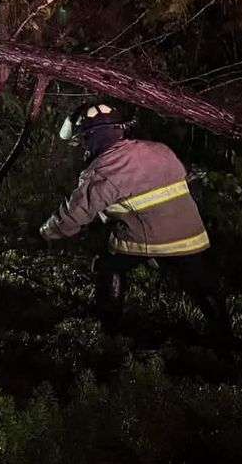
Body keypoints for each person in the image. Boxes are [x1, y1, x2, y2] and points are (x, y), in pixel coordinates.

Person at [39, 101, 231, 337]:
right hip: (193, 236)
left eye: (82, 141)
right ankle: (224, 334)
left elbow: (73, 216)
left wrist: (45, 233)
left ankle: (107, 327)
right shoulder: (159, 149)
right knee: (200, 282)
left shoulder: (103, 170)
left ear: (91, 138)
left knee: (108, 264)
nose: (82, 147)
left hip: (148, 239)